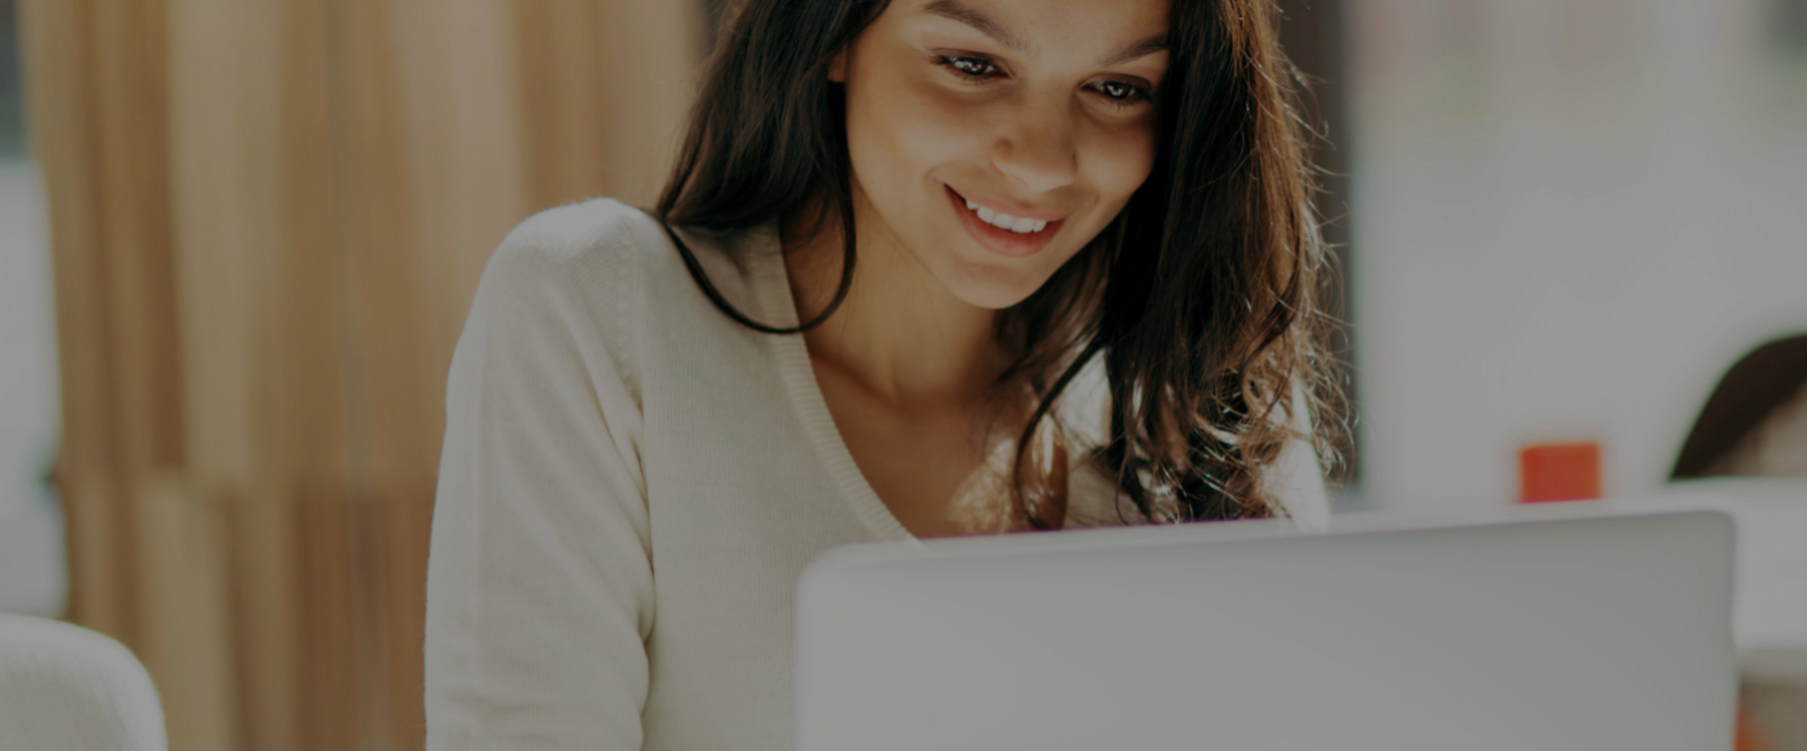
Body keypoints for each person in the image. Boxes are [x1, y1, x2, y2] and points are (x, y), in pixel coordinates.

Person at [422, 0, 1335, 747]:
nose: (1042, 159)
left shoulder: (1206, 400)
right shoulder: (599, 312)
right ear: (833, 36)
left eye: (1116, 86)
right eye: (973, 64)